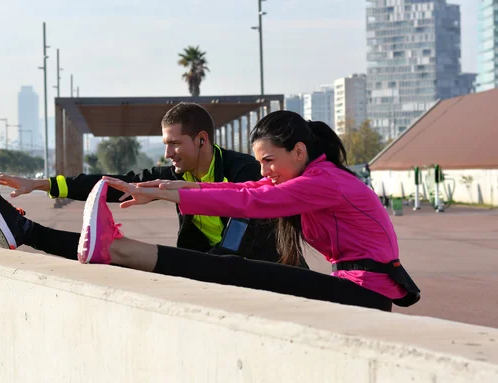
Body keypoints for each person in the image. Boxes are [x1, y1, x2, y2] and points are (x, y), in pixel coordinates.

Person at [76, 110, 421, 312]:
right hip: (353, 284)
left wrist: (174, 195)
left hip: (367, 290)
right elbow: (245, 189)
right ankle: (114, 247)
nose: (263, 172)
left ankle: (115, 247)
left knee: (244, 272)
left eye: (268, 161)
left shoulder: (321, 181)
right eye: (258, 162)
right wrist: (167, 189)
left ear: (299, 152)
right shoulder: (311, 175)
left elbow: (251, 202)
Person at [0, 102, 307, 267]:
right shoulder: (178, 175)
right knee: (111, 250)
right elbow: (113, 184)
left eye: (175, 144)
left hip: (266, 270)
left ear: (202, 140)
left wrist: (208, 267)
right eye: (165, 144)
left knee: (123, 252)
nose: (168, 153)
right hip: (212, 264)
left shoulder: (243, 169)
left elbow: (240, 226)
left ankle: (27, 232)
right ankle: (26, 231)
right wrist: (41, 184)